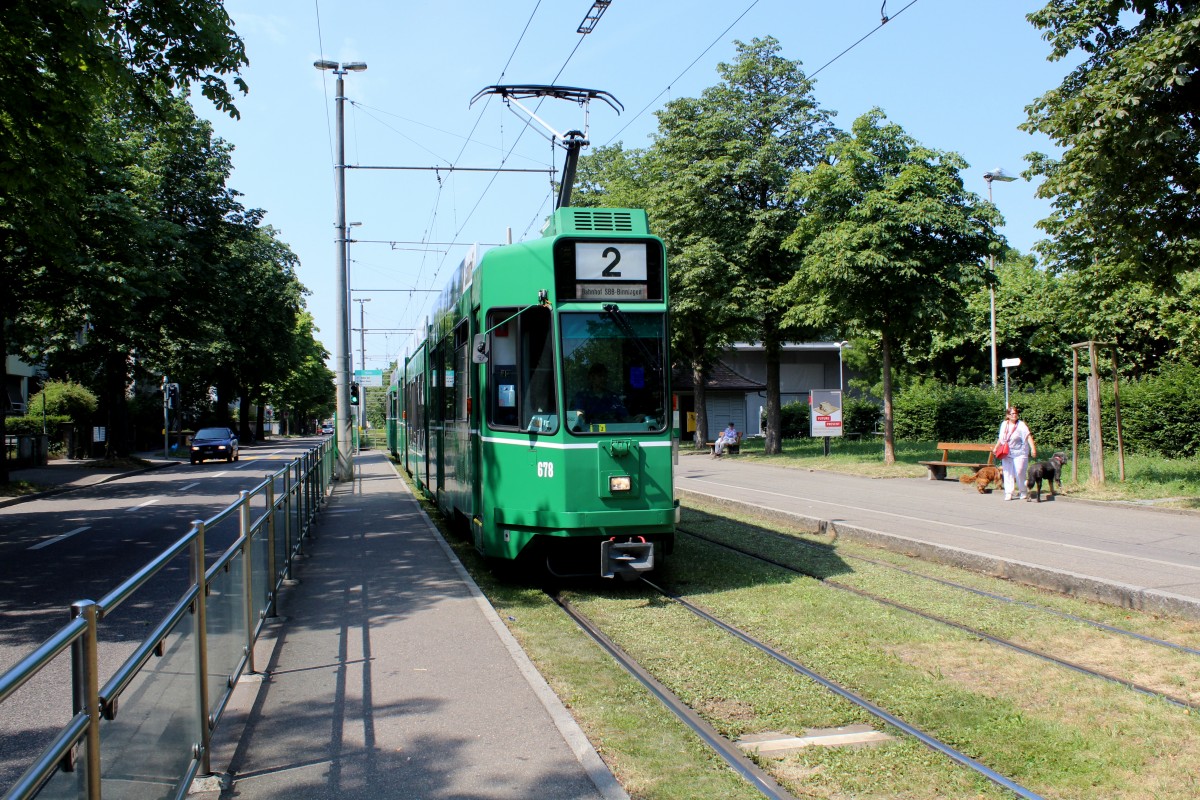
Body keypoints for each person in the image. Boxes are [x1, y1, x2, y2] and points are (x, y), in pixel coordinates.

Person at [996, 406, 1037, 502]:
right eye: (1012, 414)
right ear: (1008, 415)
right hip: (1006, 452)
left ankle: (1023, 491)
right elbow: (1001, 438)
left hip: (1020, 452)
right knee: (1007, 472)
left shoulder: (1021, 425)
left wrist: (1033, 449)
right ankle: (1008, 492)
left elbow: (1028, 436)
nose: (1014, 415)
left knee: (1019, 472)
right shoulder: (1004, 424)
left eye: (1016, 413)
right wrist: (996, 447)